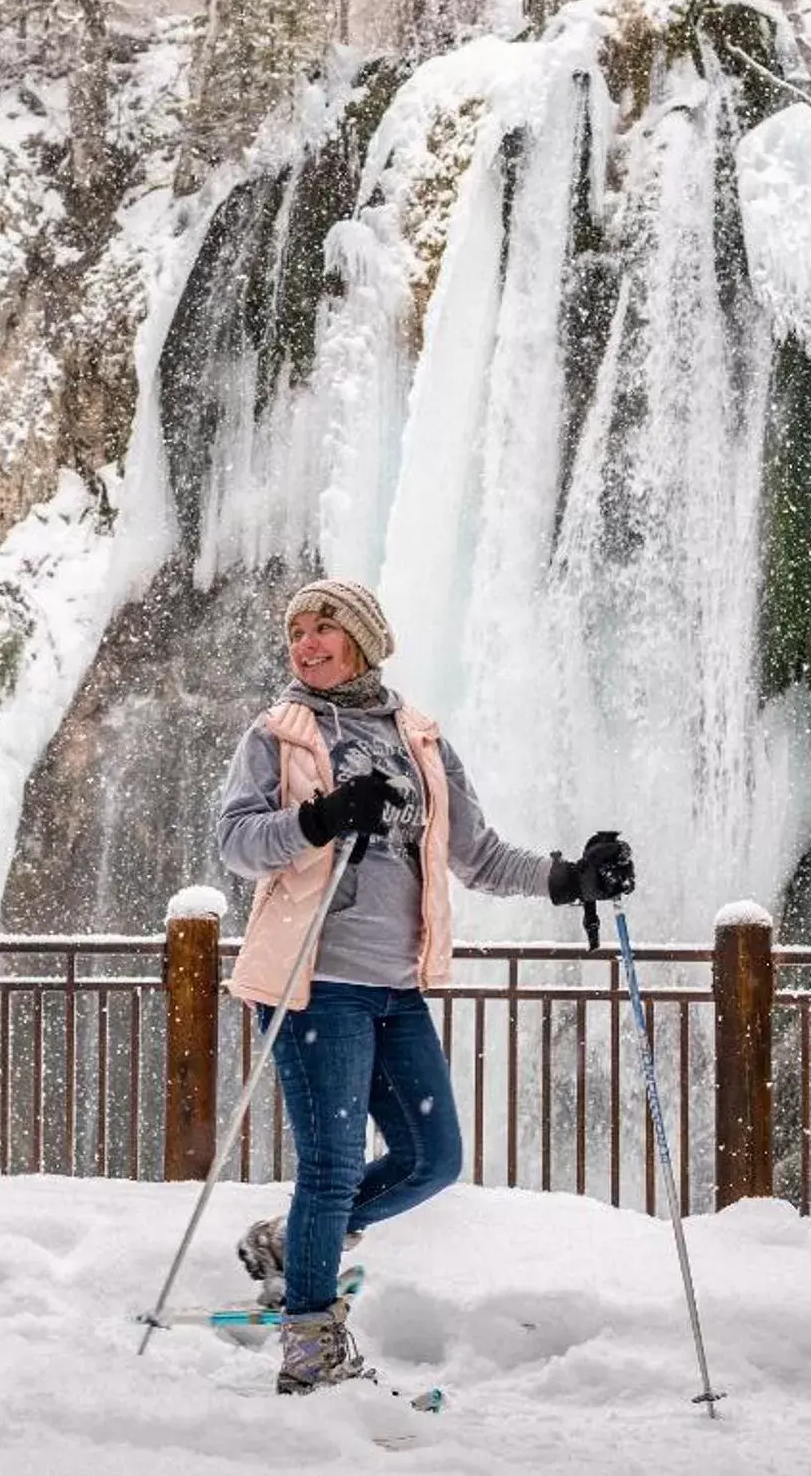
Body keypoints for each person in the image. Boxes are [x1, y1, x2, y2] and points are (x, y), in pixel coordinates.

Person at [216, 576, 636, 1394]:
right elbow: (236, 842)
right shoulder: (277, 734)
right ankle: (308, 1344)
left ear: (364, 640)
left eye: (322, 629)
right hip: (313, 981)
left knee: (431, 1157)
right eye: (295, 630)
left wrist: (570, 878)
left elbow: (476, 853)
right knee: (332, 1166)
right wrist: (319, 819)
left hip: (396, 986)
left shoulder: (419, 739)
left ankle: (290, 1240)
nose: (304, 644)